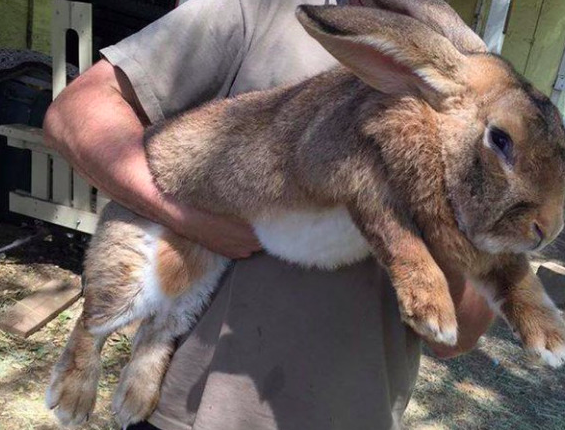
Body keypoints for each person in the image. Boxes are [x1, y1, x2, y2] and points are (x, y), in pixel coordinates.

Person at [44, 0, 494, 429]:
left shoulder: (480, 82)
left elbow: (462, 333)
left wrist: (440, 229)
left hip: (356, 415)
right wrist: (195, 222)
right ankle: (139, 349)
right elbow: (79, 112)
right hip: (193, 412)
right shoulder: (255, 11)